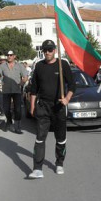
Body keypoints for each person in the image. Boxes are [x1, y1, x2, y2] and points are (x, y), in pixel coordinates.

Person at [28, 40, 76, 179]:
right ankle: (37, 168)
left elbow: (72, 85)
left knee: (60, 138)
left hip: (59, 106)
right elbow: (34, 88)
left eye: (50, 49)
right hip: (43, 106)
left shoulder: (63, 64)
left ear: (55, 50)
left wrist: (67, 99)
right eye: (45, 50)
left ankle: (59, 163)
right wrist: (32, 106)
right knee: (40, 137)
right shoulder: (39, 66)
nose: (47, 52)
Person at [0, 50, 28, 134]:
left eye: (11, 55)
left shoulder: (20, 66)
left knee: (18, 110)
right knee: (6, 109)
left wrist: (21, 83)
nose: (9, 56)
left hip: (16, 91)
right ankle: (9, 121)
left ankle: (17, 127)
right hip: (6, 90)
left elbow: (25, 76)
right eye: (8, 55)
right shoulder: (3, 65)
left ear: (14, 56)